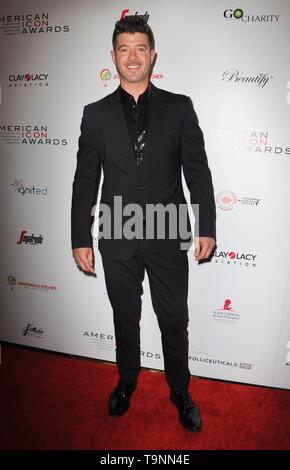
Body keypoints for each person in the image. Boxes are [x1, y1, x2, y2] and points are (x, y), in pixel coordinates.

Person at [71, 15, 216, 432]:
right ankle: (127, 380)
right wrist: (80, 236)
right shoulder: (94, 114)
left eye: (140, 49)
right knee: (124, 316)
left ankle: (180, 389)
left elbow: (198, 171)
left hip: (168, 232)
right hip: (116, 233)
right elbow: (85, 178)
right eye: (124, 49)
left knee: (173, 318)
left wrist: (206, 224)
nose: (132, 57)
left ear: (152, 55)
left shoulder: (180, 107)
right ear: (113, 57)